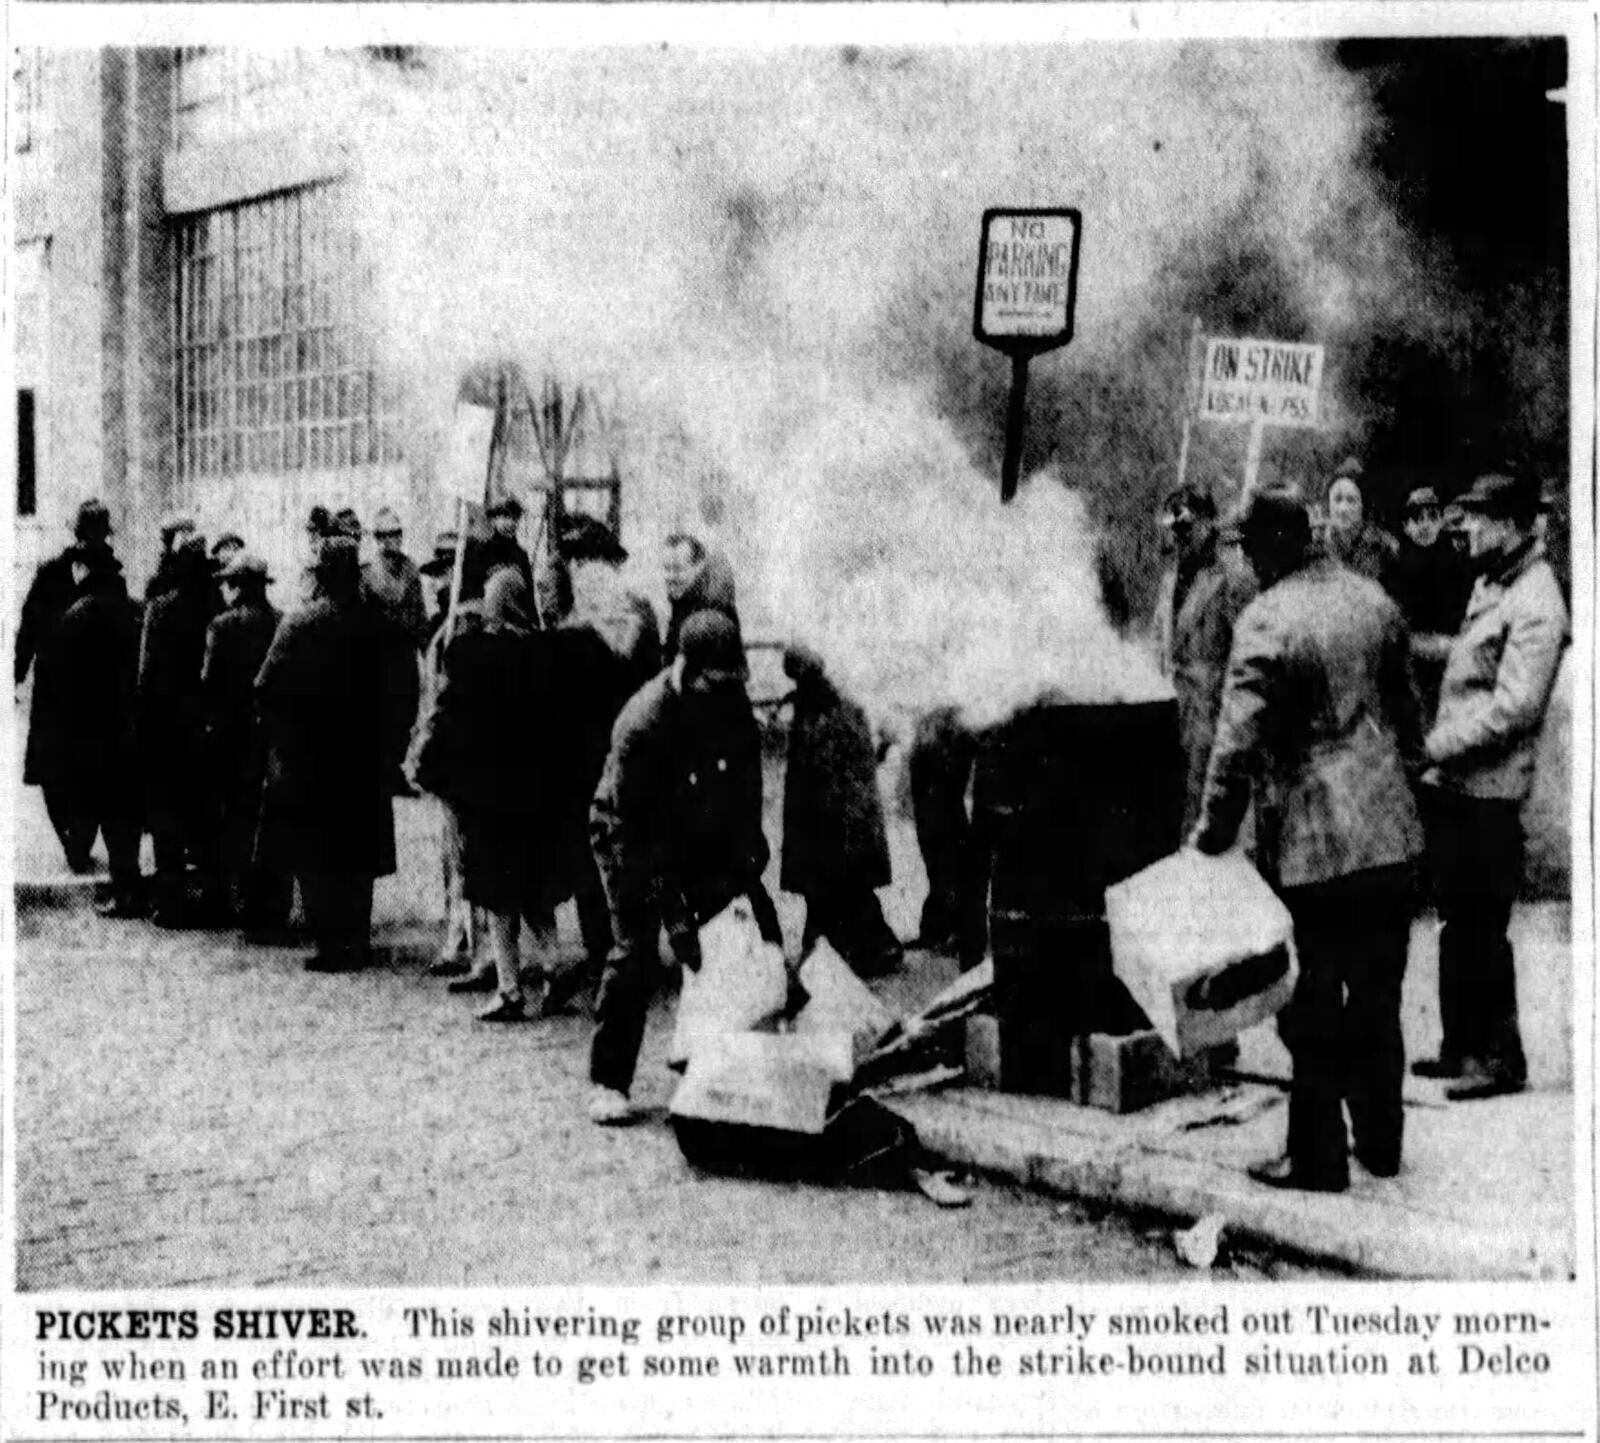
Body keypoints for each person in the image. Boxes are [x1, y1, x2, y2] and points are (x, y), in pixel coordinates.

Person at [1192, 486, 1423, 1193]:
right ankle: (1380, 1143)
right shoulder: (1374, 601)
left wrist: (1210, 835)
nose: (1250, 564)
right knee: (1380, 993)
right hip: (1389, 832)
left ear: (1281, 542)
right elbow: (1409, 718)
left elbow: (1234, 743)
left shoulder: (1265, 619)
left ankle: (1317, 1157)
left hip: (1314, 842)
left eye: (1254, 548)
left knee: (1314, 1000)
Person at [587, 609, 781, 1124]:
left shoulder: (731, 704)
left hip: (697, 824)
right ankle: (608, 1080)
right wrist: (675, 915)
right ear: (686, 670)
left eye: (731, 682)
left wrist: (746, 859)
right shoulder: (643, 722)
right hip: (629, 835)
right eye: (712, 683)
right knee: (636, 952)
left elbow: (744, 789)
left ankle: (710, 1063)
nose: (724, 693)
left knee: (742, 932)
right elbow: (641, 834)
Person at [1413, 471, 1568, 1102]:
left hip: (1491, 793)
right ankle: (1460, 1047)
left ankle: (1501, 1060)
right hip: (1459, 787)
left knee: (1482, 926)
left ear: (1508, 523)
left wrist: (1428, 749)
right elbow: (1475, 660)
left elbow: (1513, 710)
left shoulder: (1537, 599)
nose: (1464, 527)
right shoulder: (1493, 581)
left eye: (1476, 517)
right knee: (1458, 921)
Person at [413, 568, 571, 1021]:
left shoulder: (473, 653)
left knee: (496, 892)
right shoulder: (546, 651)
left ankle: (509, 988)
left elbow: (454, 714)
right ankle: (554, 962)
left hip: (490, 792)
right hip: (536, 790)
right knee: (533, 885)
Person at [255, 537, 418, 973]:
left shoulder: (299, 624)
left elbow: (265, 687)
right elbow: (406, 688)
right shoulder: (380, 625)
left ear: (321, 575)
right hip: (366, 759)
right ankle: (357, 940)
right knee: (358, 854)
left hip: (311, 761)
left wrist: (284, 739)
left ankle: (329, 944)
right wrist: (393, 743)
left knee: (316, 853)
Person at [548, 517, 664, 1007]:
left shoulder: (574, 629)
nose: (576, 571)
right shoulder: (642, 617)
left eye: (581, 562)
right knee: (634, 851)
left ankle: (605, 954)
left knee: (593, 858)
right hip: (634, 753)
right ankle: (638, 951)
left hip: (587, 762)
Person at [26, 542, 145, 913]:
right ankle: (131, 888)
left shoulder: (75, 617)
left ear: (82, 570)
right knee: (124, 813)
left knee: (100, 807)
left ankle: (123, 891)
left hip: (91, 734)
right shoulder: (134, 611)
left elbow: (58, 684)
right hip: (129, 726)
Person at [780, 645, 903, 975]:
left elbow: (840, 776)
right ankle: (847, 950)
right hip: (835, 823)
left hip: (840, 823)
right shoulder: (820, 707)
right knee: (840, 892)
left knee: (841, 890)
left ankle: (856, 951)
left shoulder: (829, 711)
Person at [15, 498, 118, 869]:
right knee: (50, 768)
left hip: (94, 690)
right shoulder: (50, 573)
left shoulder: (112, 577)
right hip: (53, 687)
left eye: (100, 534)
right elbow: (28, 624)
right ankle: (69, 838)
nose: (95, 540)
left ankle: (81, 842)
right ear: (78, 533)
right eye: (89, 533)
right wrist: (17, 671)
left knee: (90, 768)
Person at [408, 538, 491, 979]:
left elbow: (444, 698)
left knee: (462, 855)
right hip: (459, 755)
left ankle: (470, 944)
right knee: (456, 854)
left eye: (441, 572)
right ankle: (464, 938)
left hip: (459, 756)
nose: (435, 581)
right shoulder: (447, 625)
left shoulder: (461, 628)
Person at [1153, 483, 1257, 831]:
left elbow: (1246, 655)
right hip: (1170, 707)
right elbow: (1160, 642)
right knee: (1166, 803)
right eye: (1174, 528)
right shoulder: (1171, 578)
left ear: (1208, 523)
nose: (1179, 537)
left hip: (1209, 713)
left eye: (1187, 526)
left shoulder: (1233, 579)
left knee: (1197, 811)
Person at [136, 533, 219, 925]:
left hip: (167, 728)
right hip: (206, 729)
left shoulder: (161, 608)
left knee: (167, 819)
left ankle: (170, 904)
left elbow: (146, 675)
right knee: (203, 817)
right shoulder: (216, 606)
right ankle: (208, 902)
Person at [200, 552, 285, 927]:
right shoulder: (281, 622)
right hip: (270, 739)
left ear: (238, 588)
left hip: (230, 741)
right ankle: (270, 906)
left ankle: (235, 902)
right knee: (269, 824)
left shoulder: (222, 627)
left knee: (233, 821)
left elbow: (209, 684)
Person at [1386, 484, 1474, 722]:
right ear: (1406, 526)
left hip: (1452, 659)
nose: (1425, 524)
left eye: (1432, 517)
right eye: (1417, 518)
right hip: (1411, 662)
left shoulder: (1458, 564)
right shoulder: (1395, 569)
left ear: (1440, 522)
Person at [908, 707, 986, 965]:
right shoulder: (938, 724)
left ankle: (950, 928)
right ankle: (943, 927)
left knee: (948, 858)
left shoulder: (952, 724)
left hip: (940, 794)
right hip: (934, 793)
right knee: (941, 858)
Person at [661, 530, 741, 663]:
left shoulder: (711, 609)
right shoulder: (684, 593)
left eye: (677, 569)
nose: (670, 577)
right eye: (667, 568)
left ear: (698, 567)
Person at [1322, 458, 1399, 587]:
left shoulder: (1384, 546)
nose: (1343, 509)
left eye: (1351, 500)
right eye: (1337, 499)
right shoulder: (1320, 544)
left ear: (1363, 505)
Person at [362, 507, 427, 647]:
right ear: (379, 538)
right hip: (378, 647)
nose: (397, 538)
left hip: (406, 646)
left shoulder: (410, 567)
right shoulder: (368, 571)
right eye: (390, 534)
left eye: (398, 533)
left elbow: (419, 612)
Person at [483, 496, 535, 594]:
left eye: (515, 518)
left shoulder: (521, 555)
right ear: (493, 520)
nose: (510, 523)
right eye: (505, 517)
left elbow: (529, 597)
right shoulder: (482, 550)